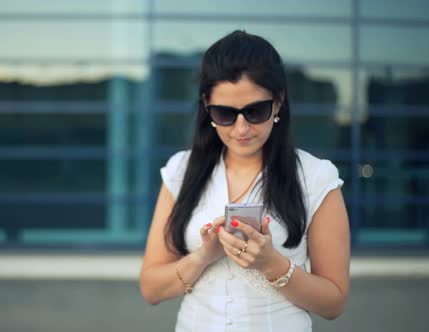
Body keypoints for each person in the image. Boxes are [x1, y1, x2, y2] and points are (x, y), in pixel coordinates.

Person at [139, 30, 350, 331]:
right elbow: (151, 288)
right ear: (206, 107)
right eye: (225, 113)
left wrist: (271, 264)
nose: (241, 128)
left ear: (278, 102)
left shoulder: (316, 177)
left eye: (255, 111)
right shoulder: (180, 170)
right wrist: (203, 256)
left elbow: (334, 302)